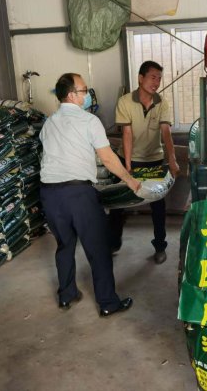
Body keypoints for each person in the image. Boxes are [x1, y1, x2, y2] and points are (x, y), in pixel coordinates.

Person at [40, 72, 141, 317]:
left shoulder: (49, 123)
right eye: (84, 90)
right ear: (71, 95)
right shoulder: (89, 121)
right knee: (98, 248)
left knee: (64, 245)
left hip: (49, 194)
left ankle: (66, 295)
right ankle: (108, 303)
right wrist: (130, 180)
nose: (87, 94)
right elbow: (107, 158)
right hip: (78, 194)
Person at [109, 61, 180, 264]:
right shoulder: (125, 101)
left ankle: (160, 246)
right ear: (141, 78)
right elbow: (127, 134)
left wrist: (172, 159)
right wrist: (127, 167)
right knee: (117, 203)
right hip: (128, 158)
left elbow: (166, 133)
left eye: (159, 78)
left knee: (158, 205)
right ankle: (113, 243)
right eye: (152, 77)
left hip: (154, 160)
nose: (156, 82)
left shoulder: (162, 102)